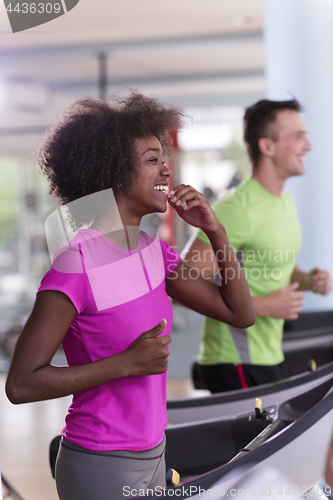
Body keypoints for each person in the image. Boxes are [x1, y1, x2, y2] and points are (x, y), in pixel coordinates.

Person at [5, 92, 255, 500]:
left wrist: (216, 232)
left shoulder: (155, 253)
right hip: (98, 462)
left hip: (155, 453)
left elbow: (239, 313)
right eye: (153, 159)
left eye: (165, 158)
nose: (166, 169)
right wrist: (124, 364)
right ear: (117, 172)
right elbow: (21, 384)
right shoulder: (77, 264)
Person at [183, 98, 331, 394]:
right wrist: (261, 307)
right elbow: (183, 282)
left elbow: (268, 267)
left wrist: (305, 280)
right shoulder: (237, 209)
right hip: (233, 359)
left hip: (269, 354)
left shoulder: (284, 202)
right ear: (268, 147)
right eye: (298, 136)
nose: (309, 146)